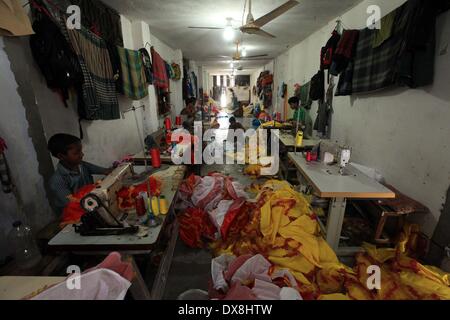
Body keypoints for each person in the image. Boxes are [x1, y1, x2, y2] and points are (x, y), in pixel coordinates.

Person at [48, 134, 112, 215]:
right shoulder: (57, 181)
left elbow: (106, 171)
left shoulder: (82, 165)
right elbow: (72, 204)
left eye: (81, 151)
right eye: (76, 153)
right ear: (61, 156)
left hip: (90, 207)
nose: (82, 155)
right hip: (75, 215)